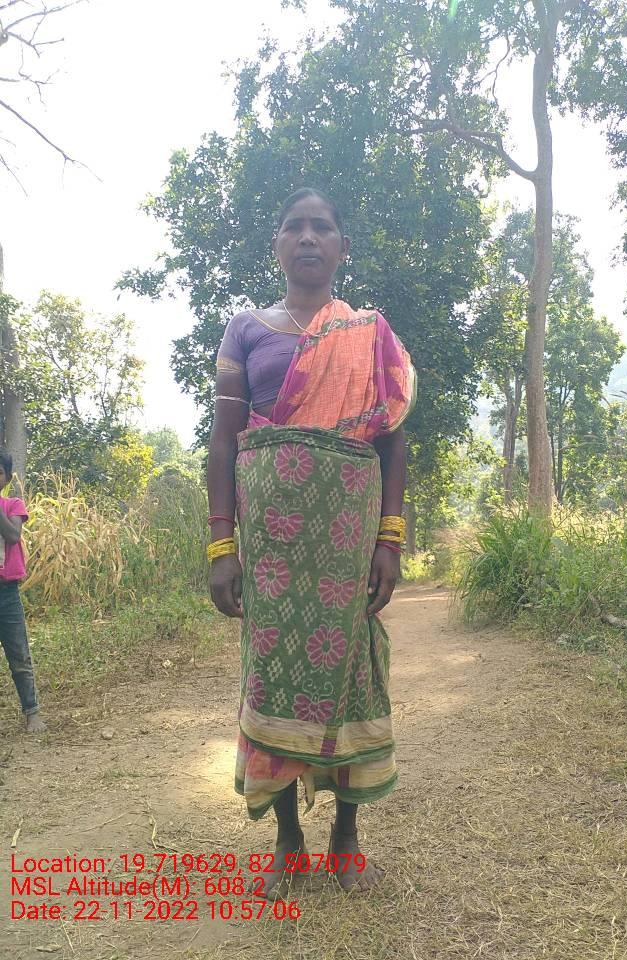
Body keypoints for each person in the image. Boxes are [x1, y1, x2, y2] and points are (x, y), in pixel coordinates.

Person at [206, 187, 416, 893]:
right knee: (272, 672)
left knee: (351, 668)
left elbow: (393, 443)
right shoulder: (245, 329)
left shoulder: (370, 332)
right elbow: (224, 441)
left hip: (346, 541)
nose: (306, 236)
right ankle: (288, 840)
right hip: (269, 545)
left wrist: (389, 539)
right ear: (276, 245)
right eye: (292, 226)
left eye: (320, 227)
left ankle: (346, 833)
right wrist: (221, 546)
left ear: (340, 247)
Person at [0, 450, 46, 734]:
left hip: (6, 594)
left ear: (6, 478)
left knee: (19, 655)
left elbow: (13, 535)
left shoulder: (13, 505)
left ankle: (32, 713)